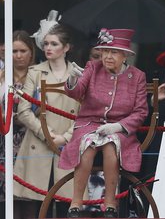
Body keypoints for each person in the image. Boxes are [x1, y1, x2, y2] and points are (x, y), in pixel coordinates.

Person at [58, 28, 148, 218]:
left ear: (125, 55)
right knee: (87, 145)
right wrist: (73, 78)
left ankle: (110, 203)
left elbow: (141, 112)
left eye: (113, 52)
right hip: (89, 123)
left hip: (120, 129)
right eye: (105, 51)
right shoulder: (93, 67)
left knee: (110, 145)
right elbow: (77, 92)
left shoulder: (137, 76)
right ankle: (76, 202)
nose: (107, 56)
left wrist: (118, 127)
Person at [13, 11, 81, 218]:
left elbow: (85, 113)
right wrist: (48, 134)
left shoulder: (80, 74)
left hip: (67, 146)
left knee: (65, 207)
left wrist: (66, 137)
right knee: (33, 208)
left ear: (66, 48)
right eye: (46, 43)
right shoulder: (35, 72)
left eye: (54, 44)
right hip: (38, 143)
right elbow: (24, 111)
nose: (48, 48)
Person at [0, 30, 36, 219]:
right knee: (7, 201)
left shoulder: (38, 76)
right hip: (4, 143)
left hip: (31, 142)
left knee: (30, 199)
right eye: (14, 51)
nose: (19, 55)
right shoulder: (2, 77)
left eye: (23, 50)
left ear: (31, 52)